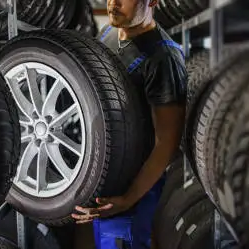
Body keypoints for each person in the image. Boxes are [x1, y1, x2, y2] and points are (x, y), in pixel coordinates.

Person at [71, 0, 187, 248]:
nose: (113, 2)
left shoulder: (163, 59)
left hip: (131, 193)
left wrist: (127, 198)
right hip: (104, 179)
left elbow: (167, 143)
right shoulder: (108, 34)